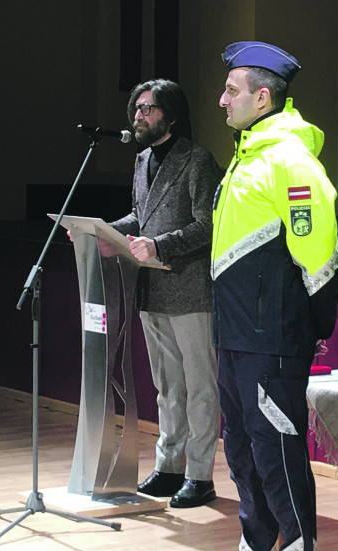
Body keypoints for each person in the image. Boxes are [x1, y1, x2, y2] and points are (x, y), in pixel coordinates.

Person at [187, 41, 338, 551]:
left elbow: (319, 257)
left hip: (272, 340)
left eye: (231, 90)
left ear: (263, 96)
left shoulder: (290, 160)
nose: (221, 99)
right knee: (245, 456)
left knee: (279, 462)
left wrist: (309, 330)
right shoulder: (247, 155)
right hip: (236, 336)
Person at [108, 79, 222, 508]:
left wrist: (160, 245)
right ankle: (169, 466)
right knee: (167, 387)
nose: (139, 116)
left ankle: (200, 475)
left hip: (189, 288)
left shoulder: (197, 160)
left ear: (171, 115)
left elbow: (208, 224)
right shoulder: (142, 160)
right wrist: (105, 232)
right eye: (136, 108)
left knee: (199, 387)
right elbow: (141, 216)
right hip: (152, 287)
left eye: (148, 109)